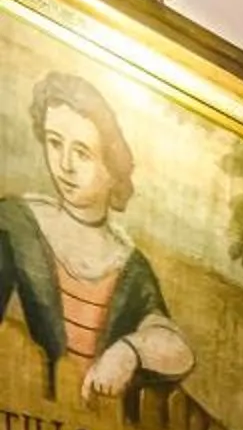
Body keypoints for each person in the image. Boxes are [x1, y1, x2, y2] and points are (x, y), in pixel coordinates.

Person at [0, 69, 193, 403]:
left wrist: (128, 351)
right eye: (54, 143)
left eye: (83, 153)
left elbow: (177, 348)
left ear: (112, 169)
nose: (64, 165)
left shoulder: (129, 265)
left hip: (98, 421)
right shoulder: (16, 224)